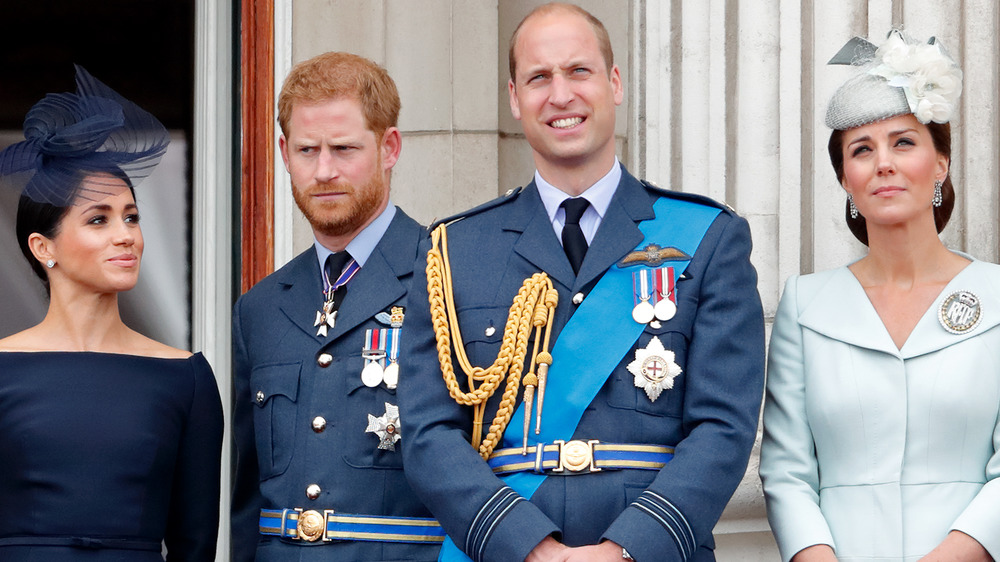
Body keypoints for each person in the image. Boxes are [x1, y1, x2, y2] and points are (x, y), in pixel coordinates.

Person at [398, 4, 765, 561]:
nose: (560, 94)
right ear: (515, 98)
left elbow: (723, 427)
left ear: (614, 84)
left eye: (578, 71)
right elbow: (428, 435)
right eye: (539, 77)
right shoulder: (454, 250)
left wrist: (624, 550)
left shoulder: (708, 237)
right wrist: (530, 547)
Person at [760, 31, 999, 562]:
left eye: (904, 142)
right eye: (862, 151)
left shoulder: (998, 297)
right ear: (846, 178)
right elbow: (786, 470)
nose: (883, 163)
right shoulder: (805, 304)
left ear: (941, 163)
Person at [0, 65, 224, 561]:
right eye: (98, 219)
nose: (126, 235)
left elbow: (195, 546)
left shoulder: (186, 378)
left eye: (132, 217)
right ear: (43, 247)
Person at [231, 51, 443, 561]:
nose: (323, 170)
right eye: (307, 150)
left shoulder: (448, 278)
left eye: (344, 148)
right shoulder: (259, 308)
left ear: (389, 147)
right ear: (284, 153)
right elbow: (247, 503)